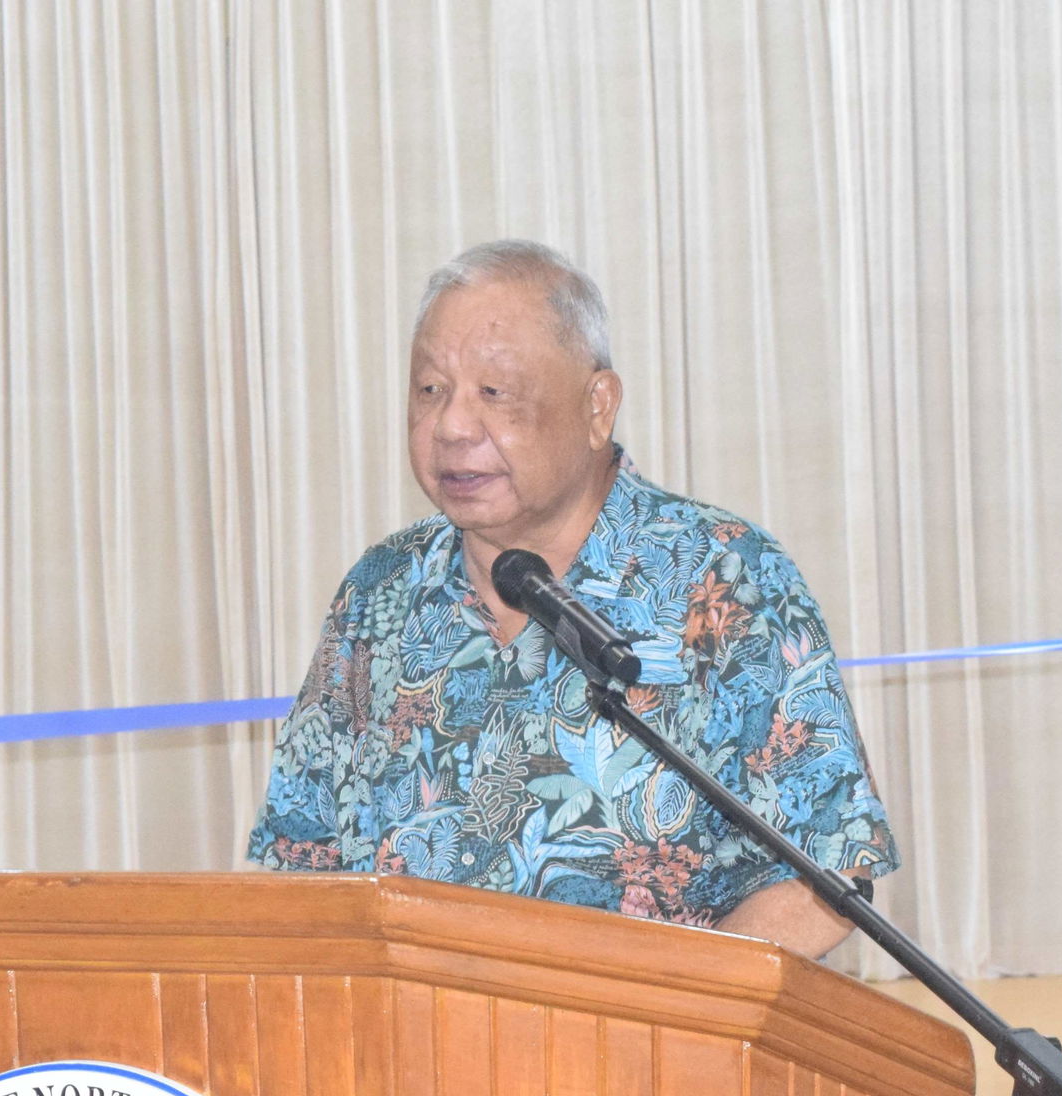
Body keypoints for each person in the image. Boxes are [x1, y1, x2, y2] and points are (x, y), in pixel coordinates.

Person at [247, 239, 899, 958]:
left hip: (655, 1055)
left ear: (598, 406)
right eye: (430, 390)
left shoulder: (723, 578)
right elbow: (296, 862)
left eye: (494, 394)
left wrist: (669, 1016)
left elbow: (830, 867)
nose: (453, 426)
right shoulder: (379, 591)